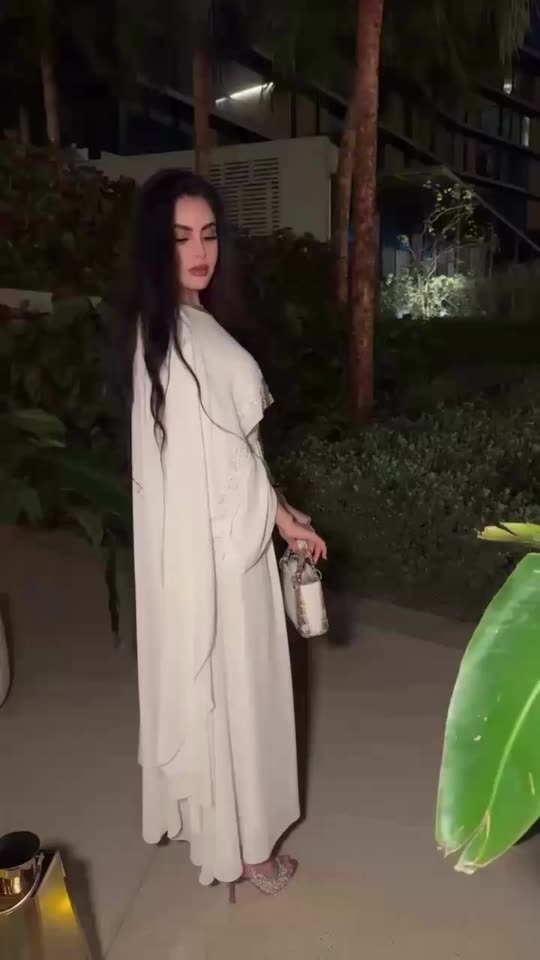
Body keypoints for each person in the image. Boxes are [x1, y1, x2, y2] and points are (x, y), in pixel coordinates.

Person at [127, 169, 327, 902]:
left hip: (231, 543)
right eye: (182, 237)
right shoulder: (170, 340)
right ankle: (244, 853)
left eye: (208, 235)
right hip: (217, 559)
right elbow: (203, 473)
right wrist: (268, 518)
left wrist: (280, 512)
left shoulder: (193, 324)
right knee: (235, 695)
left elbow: (236, 453)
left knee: (244, 696)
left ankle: (238, 841)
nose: (199, 251)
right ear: (157, 245)